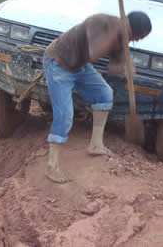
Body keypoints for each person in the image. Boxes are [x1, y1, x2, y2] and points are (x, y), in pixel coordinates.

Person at [43, 12, 152, 183]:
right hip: (59, 62)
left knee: (104, 94)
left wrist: (126, 65)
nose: (136, 41)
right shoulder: (101, 22)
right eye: (137, 37)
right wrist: (116, 36)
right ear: (130, 27)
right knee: (65, 115)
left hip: (80, 67)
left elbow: (113, 69)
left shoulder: (123, 40)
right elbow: (94, 52)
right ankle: (52, 166)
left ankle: (95, 144)